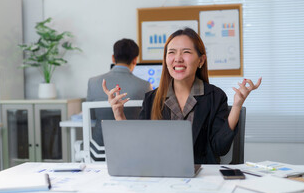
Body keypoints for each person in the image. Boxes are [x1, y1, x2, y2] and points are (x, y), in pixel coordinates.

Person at [102, 28, 261, 164]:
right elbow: (139, 148)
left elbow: (220, 147)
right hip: (162, 176)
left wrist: (237, 105)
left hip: (203, 178)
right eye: (171, 52)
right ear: (166, 59)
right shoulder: (152, 98)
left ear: (201, 60)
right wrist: (119, 114)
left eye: (186, 52)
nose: (178, 58)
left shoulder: (215, 96)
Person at [87, 38, 152, 147]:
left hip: (98, 151)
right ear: (135, 60)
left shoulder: (93, 82)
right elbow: (148, 118)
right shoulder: (145, 85)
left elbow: (91, 116)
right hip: (131, 148)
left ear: (113, 58)